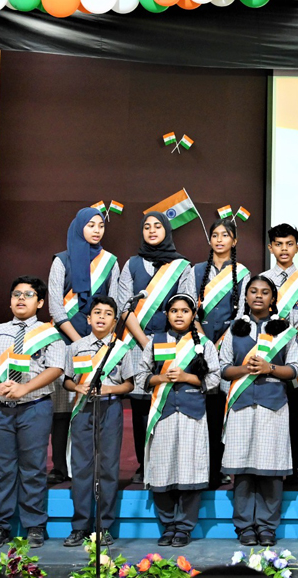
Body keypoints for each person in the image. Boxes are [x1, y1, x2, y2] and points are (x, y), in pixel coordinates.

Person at [0, 276, 66, 549]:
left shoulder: (49, 333)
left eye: (28, 294)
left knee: (33, 468)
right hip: (0, 409)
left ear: (39, 302)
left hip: (35, 407)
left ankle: (34, 525)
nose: (21, 299)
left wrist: (25, 390)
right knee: (2, 469)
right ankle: (0, 526)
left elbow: (56, 368)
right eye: (16, 294)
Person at [117, 212, 196, 485]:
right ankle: (143, 463)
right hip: (138, 344)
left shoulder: (182, 266)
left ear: (167, 231)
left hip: (172, 345)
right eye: (147, 227)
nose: (152, 231)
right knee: (140, 405)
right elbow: (124, 307)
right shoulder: (131, 264)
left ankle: (167, 461)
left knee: (165, 400)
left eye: (157, 226)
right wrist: (145, 342)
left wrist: (162, 342)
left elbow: (188, 303)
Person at [137, 293, 221, 548]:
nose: (179, 315)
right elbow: (141, 376)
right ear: (166, 314)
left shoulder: (205, 344)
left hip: (192, 413)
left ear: (193, 315)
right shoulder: (154, 342)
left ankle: (184, 527)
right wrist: (162, 379)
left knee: (190, 469)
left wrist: (185, 376)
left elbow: (215, 380)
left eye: (185, 310)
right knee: (162, 468)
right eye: (174, 310)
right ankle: (168, 525)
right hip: (162, 413)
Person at [220, 276, 298, 548]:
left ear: (273, 298)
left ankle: (266, 527)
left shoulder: (285, 330)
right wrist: (246, 369)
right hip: (241, 405)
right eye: (253, 291)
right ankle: (244, 527)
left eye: (265, 292)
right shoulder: (234, 329)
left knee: (271, 470)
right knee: (242, 470)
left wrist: (269, 369)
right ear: (245, 296)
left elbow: (295, 369)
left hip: (273, 405)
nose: (258, 296)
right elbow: (224, 367)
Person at [47, 207, 121, 486]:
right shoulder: (61, 260)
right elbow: (55, 305)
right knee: (63, 404)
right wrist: (78, 343)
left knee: (91, 403)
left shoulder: (111, 261)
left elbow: (113, 304)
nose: (96, 230)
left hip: (98, 343)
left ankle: (88, 465)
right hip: (66, 340)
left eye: (100, 225)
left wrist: (95, 342)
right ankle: (58, 466)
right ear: (79, 227)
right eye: (90, 225)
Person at [61, 296, 134, 547]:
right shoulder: (76, 347)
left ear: (115, 321)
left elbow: (129, 384)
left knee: (107, 468)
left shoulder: (122, 348)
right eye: (97, 313)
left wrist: (110, 388)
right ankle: (79, 526)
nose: (102, 317)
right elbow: (67, 380)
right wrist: (77, 388)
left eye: (107, 313)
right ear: (89, 318)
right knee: (81, 468)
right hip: (82, 410)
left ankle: (104, 526)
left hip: (110, 408)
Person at [194, 217, 249, 490]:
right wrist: (202, 341)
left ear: (234, 240)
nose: (219, 239)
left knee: (220, 413)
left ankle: (220, 469)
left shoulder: (243, 272)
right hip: (198, 347)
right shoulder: (195, 271)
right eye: (214, 235)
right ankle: (199, 468)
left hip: (228, 346)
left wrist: (222, 344)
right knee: (201, 411)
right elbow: (187, 308)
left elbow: (242, 315)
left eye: (225, 235)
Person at [261, 223, 298, 485]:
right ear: (271, 247)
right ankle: (267, 461)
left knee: (296, 412)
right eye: (279, 244)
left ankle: (293, 466)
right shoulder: (262, 280)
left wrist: (291, 343)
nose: (284, 249)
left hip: (294, 357)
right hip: (266, 357)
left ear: (297, 247)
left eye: (289, 244)